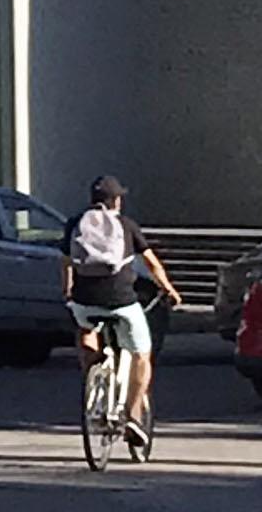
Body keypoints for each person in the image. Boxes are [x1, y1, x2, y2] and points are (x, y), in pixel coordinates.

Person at [66, 176, 180, 454]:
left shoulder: (74, 224)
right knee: (142, 354)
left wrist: (68, 292)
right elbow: (152, 263)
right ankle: (133, 416)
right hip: (121, 301)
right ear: (117, 200)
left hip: (85, 301)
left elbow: (65, 263)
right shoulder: (126, 226)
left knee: (85, 328)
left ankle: (93, 379)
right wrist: (170, 290)